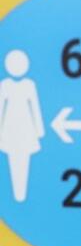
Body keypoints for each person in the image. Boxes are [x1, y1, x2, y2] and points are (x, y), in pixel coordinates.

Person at [0, 50, 45, 203]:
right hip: (9, 129)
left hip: (27, 129)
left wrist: (39, 130)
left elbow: (35, 108)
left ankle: (22, 194)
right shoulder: (4, 85)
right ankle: (18, 195)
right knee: (13, 161)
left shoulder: (29, 85)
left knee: (24, 161)